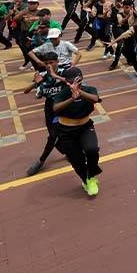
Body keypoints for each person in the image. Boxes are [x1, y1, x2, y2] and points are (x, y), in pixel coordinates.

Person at [51, 67, 103, 196]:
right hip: (65, 131)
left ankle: (90, 175)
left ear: (81, 79)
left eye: (76, 81)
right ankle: (87, 180)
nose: (72, 84)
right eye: (69, 82)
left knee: (92, 149)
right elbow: (55, 108)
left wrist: (79, 92)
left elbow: (95, 99)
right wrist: (72, 99)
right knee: (76, 160)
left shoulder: (89, 89)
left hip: (85, 126)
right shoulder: (62, 93)